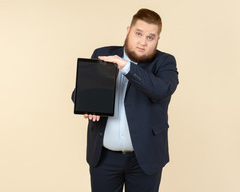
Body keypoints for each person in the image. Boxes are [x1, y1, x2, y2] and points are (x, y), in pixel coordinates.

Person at [72, 8, 179, 192]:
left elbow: (162, 90)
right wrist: (88, 105)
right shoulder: (103, 53)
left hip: (145, 159)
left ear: (157, 40)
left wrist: (127, 67)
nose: (143, 42)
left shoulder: (164, 62)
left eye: (150, 37)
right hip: (104, 158)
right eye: (138, 33)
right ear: (128, 30)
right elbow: (80, 92)